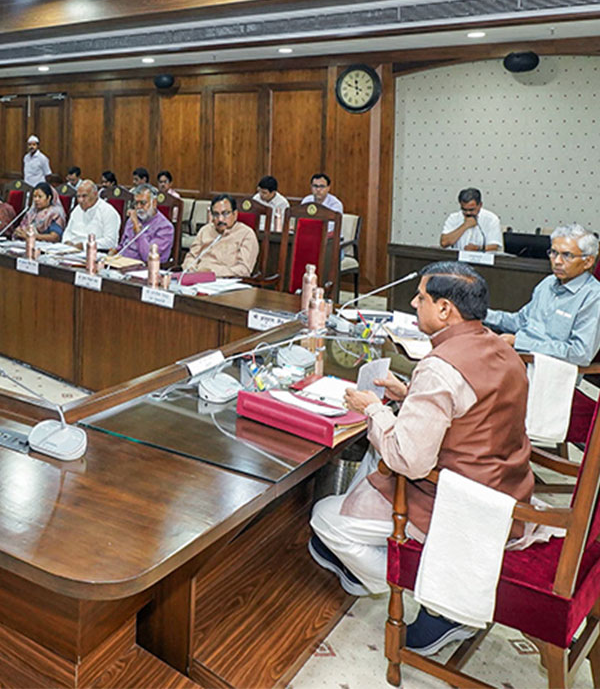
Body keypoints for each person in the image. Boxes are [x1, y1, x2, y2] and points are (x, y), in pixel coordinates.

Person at [309, 262, 532, 655]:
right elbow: (475, 411)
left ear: (445, 309)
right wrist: (409, 392)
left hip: (456, 502)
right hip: (506, 487)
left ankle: (441, 600)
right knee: (370, 463)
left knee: (325, 518)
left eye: (423, 298)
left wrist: (373, 409)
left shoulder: (441, 367)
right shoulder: (502, 346)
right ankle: (377, 571)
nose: (414, 303)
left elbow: (407, 460)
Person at [484, 224, 599, 365]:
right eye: (554, 252)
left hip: (550, 372)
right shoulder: (548, 283)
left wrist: (519, 342)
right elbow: (520, 321)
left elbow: (579, 353)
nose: (557, 261)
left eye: (567, 255)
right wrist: (480, 314)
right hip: (519, 361)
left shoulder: (593, 297)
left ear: (588, 261)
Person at [182, 193, 259, 277]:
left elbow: (243, 269)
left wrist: (212, 272)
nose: (220, 219)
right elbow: (191, 256)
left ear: (235, 214)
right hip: (197, 278)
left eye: (225, 213)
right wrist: (191, 268)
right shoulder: (205, 230)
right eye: (216, 214)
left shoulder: (246, 234)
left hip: (226, 282)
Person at [118, 184, 175, 263]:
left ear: (154, 203)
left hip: (145, 269)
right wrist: (114, 252)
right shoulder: (132, 220)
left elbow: (148, 256)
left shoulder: (165, 227)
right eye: (136, 203)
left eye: (143, 203)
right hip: (122, 263)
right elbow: (123, 245)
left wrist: (137, 229)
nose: (138, 207)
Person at [62, 180, 120, 250]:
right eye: (78, 196)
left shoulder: (108, 211)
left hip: (94, 252)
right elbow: (68, 231)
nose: (80, 200)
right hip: (71, 250)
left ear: (95, 194)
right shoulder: (77, 209)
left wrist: (84, 245)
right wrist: (66, 241)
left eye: (84, 196)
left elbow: (111, 242)